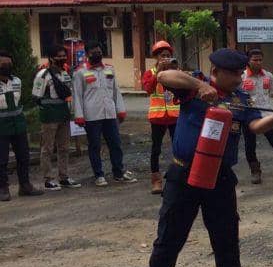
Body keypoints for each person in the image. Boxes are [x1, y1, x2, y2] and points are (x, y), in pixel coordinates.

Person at [141, 49, 273, 267]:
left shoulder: (240, 98)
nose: (240, 78)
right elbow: (165, 75)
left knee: (226, 234)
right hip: (184, 175)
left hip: (220, 177)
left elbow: (255, 125)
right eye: (235, 74)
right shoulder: (195, 85)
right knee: (170, 234)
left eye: (241, 73)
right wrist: (199, 86)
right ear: (216, 72)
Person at [72, 42, 136, 186]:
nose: (97, 54)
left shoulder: (109, 70)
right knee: (95, 146)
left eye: (99, 51)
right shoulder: (80, 72)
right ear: (87, 54)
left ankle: (118, 172)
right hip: (91, 115)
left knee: (116, 144)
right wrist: (79, 115)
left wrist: (120, 110)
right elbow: (77, 95)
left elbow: (116, 91)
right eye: (94, 52)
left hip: (110, 114)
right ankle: (99, 175)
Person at [241, 49, 273, 184]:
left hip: (267, 115)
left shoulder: (268, 76)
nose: (258, 62)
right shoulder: (242, 77)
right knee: (250, 145)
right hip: (249, 117)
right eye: (255, 60)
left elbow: (268, 92)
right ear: (248, 60)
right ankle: (255, 172)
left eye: (260, 60)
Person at [31, 45, 81, 191]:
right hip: (49, 116)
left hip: (63, 115)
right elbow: (36, 96)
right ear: (51, 58)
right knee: (47, 148)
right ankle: (48, 179)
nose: (62, 58)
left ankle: (64, 177)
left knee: (64, 148)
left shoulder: (65, 73)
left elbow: (68, 94)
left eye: (63, 56)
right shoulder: (43, 75)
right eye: (58, 56)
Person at [0, 49, 42, 201]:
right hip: (1, 127)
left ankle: (25, 185)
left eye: (8, 63)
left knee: (24, 157)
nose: (6, 65)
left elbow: (20, 102)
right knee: (2, 160)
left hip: (18, 125)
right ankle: (3, 188)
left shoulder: (17, 81)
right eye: (2, 63)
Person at [141, 41, 180, 194]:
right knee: (155, 149)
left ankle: (178, 176)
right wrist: (158, 72)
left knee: (178, 147)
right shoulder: (150, 72)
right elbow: (149, 89)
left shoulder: (175, 71)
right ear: (156, 57)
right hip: (158, 117)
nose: (165, 58)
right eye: (163, 56)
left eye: (168, 56)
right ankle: (156, 181)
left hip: (174, 116)